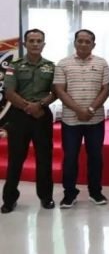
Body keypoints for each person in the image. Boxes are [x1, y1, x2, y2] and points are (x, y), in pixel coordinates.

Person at [53, 29, 109, 209]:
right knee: (70, 157)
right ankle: (69, 194)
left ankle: (95, 192)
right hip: (71, 120)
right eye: (80, 41)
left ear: (93, 44)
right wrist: (79, 110)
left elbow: (106, 89)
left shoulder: (102, 63)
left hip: (95, 120)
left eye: (88, 41)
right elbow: (59, 90)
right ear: (75, 43)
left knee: (96, 157)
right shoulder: (63, 63)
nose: (84, 44)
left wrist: (91, 109)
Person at [1, 29, 56, 214]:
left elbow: (56, 91)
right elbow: (9, 92)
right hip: (19, 117)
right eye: (31, 40)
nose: (35, 44)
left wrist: (40, 105)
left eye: (39, 41)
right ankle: (9, 200)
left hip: (42, 115)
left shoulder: (51, 66)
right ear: (24, 44)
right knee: (15, 159)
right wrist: (28, 107)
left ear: (43, 44)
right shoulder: (14, 66)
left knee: (44, 158)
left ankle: (46, 197)